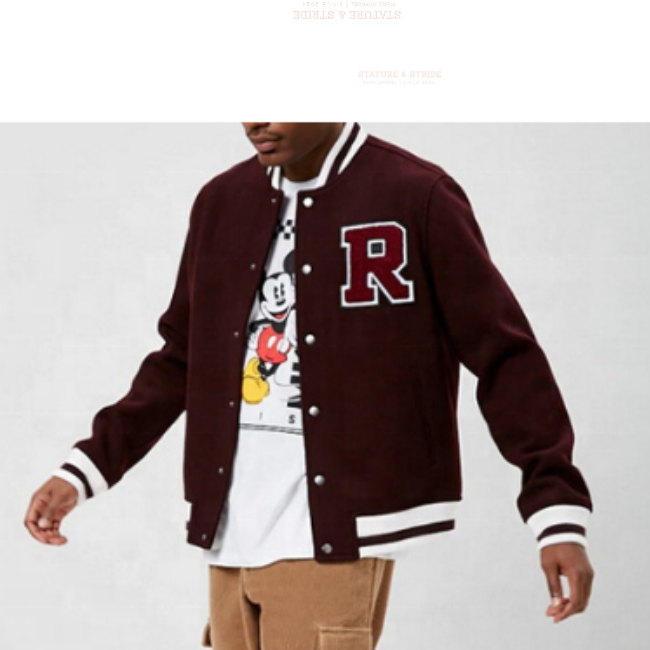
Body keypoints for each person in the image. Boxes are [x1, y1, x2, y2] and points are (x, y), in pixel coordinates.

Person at [25, 122, 595, 649]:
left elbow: (504, 354)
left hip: (335, 530)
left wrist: (555, 509)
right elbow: (181, 357)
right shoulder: (222, 202)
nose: (257, 120)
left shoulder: (416, 195)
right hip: (229, 531)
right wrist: (85, 469)